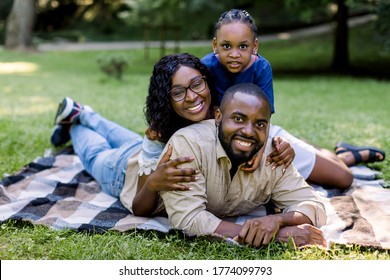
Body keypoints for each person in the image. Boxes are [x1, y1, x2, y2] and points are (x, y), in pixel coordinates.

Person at [50, 53, 294, 218]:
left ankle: (86, 113)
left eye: (197, 85)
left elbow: (254, 130)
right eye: (178, 92)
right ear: (167, 99)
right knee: (94, 152)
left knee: (116, 133)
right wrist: (154, 182)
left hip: (138, 150)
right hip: (122, 172)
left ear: (207, 83)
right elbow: (140, 207)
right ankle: (74, 125)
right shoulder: (159, 131)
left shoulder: (222, 112)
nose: (191, 97)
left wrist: (276, 146)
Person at [201, 9, 385, 190]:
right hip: (229, 137)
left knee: (343, 178)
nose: (234, 54)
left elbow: (265, 118)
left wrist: (260, 150)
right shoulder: (205, 67)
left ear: (254, 46)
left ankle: (345, 157)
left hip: (259, 134)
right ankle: (332, 153)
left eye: (242, 46)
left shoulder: (261, 68)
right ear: (215, 45)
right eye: (226, 46)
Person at [159, 82, 327, 247]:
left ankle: (342, 153)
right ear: (218, 117)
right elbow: (188, 219)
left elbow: (313, 205)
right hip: (137, 173)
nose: (248, 131)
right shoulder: (188, 145)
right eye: (238, 119)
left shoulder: (272, 155)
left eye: (259, 124)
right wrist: (276, 235)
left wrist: (277, 220)